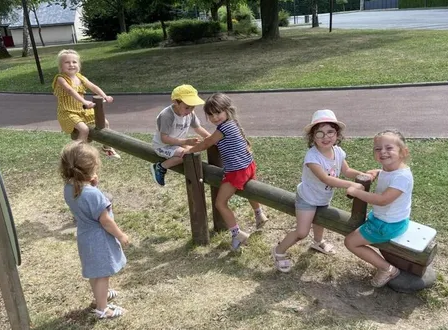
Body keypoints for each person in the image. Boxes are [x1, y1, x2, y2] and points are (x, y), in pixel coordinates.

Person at [271, 109, 371, 273]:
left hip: (323, 197)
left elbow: (347, 170)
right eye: (320, 133)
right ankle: (278, 251)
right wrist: (351, 186)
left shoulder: (338, 151)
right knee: (302, 232)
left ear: (337, 134)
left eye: (330, 132)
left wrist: (361, 175)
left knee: (319, 221)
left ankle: (318, 242)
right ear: (312, 137)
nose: (326, 137)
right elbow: (326, 179)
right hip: (308, 198)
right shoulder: (312, 157)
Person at [183, 93, 268, 250]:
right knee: (250, 192)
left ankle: (237, 234)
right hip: (248, 166)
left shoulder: (223, 128)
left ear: (227, 110)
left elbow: (206, 143)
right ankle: (258, 213)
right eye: (210, 114)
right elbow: (214, 141)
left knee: (220, 203)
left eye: (218, 112)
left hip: (237, 171)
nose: (215, 117)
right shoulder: (232, 124)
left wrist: (189, 150)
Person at [60, 141, 129, 319]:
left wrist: (93, 185)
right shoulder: (92, 194)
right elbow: (105, 220)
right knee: (103, 274)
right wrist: (121, 235)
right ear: (90, 170)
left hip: (85, 237)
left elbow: (86, 207)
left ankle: (101, 295)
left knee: (94, 272)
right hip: (100, 239)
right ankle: (102, 309)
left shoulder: (69, 188)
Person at [344, 129, 412, 287]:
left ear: (403, 152)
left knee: (350, 242)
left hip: (387, 225)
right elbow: (384, 173)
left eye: (389, 148)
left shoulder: (401, 178)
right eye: (378, 149)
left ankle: (387, 269)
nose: (383, 152)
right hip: (386, 219)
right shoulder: (392, 170)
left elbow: (383, 200)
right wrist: (375, 173)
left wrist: (357, 192)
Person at [53, 49, 120, 159]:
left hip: (81, 109)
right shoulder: (60, 78)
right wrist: (84, 101)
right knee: (84, 129)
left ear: (78, 64)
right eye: (67, 62)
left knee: (105, 122)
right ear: (61, 65)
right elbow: (70, 90)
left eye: (74, 62)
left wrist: (105, 96)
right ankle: (79, 154)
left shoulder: (80, 77)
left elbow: (93, 86)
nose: (71, 65)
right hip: (67, 111)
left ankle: (107, 148)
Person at [150, 84, 211, 186]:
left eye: (192, 107)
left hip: (178, 144)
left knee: (195, 150)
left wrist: (211, 138)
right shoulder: (167, 115)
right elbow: (164, 138)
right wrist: (186, 142)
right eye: (187, 107)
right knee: (186, 154)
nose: (190, 111)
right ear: (176, 102)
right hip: (163, 146)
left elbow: (198, 128)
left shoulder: (190, 113)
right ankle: (160, 167)